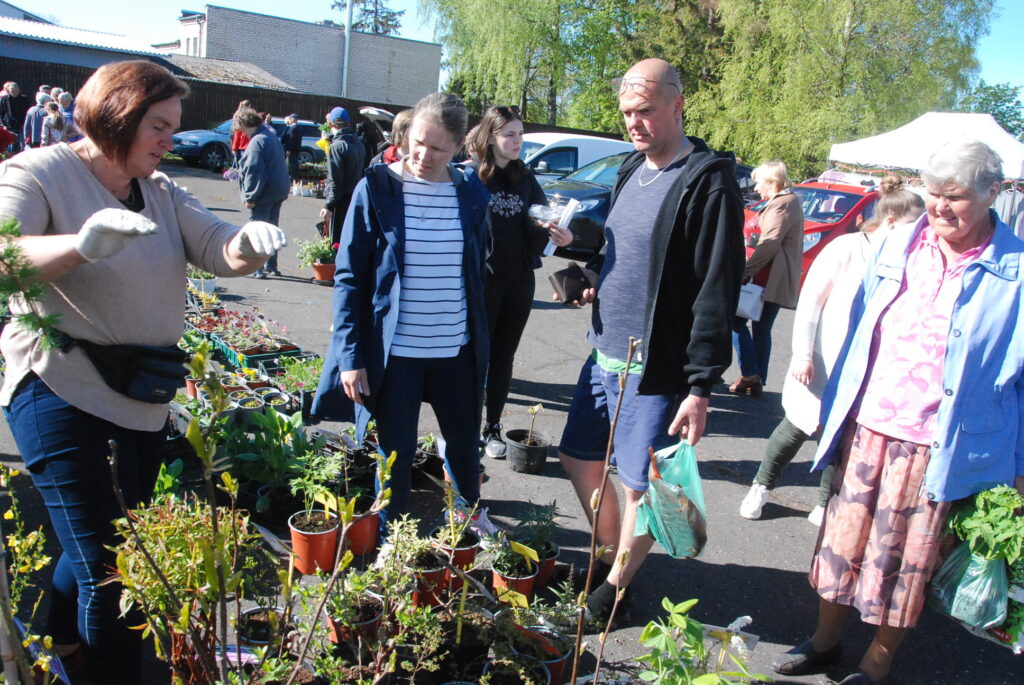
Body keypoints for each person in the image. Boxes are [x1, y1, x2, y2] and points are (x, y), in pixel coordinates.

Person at [0, 60, 286, 683]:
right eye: (158, 125)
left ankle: (56, 639)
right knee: (112, 568)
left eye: (173, 127)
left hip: (139, 395)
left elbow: (216, 246)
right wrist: (80, 245)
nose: (169, 140)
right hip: (59, 386)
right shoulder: (38, 173)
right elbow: (3, 255)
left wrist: (250, 243)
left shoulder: (158, 189)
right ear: (117, 115)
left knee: (97, 540)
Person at [773, 140, 1024, 685]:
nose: (938, 208)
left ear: (993, 194)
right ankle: (825, 643)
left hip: (938, 444)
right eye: (931, 194)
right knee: (841, 547)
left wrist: (1018, 466)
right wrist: (837, 408)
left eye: (954, 197)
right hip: (869, 427)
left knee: (905, 564)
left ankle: (877, 664)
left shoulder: (1016, 273)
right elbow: (863, 328)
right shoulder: (900, 244)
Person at [557, 58, 744, 621]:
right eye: (626, 113)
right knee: (578, 458)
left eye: (645, 111)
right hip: (605, 351)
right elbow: (625, 254)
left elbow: (718, 285)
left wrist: (700, 384)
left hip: (655, 365)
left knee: (642, 485)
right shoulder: (628, 172)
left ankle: (614, 588)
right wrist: (588, 272)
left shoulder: (708, 182)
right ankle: (613, 554)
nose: (634, 124)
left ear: (678, 104)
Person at [311, 92, 496, 537]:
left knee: (465, 450)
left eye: (438, 148)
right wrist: (351, 356)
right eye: (417, 141)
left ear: (459, 148)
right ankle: (394, 543)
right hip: (396, 357)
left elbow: (478, 264)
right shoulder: (376, 189)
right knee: (394, 456)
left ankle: (466, 528)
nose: (423, 155)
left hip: (455, 348)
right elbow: (350, 278)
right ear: (406, 133)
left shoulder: (470, 192)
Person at [739, 176, 925, 524]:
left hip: (869, 366)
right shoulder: (848, 247)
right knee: (798, 424)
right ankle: (760, 486)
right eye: (914, 224)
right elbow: (811, 303)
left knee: (844, 435)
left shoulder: (909, 259)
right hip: (823, 357)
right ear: (891, 221)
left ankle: (826, 502)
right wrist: (804, 354)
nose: (920, 233)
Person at [465, 105, 573, 458]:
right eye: (509, 134)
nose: (517, 141)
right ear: (491, 136)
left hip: (518, 281)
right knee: (475, 356)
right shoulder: (472, 176)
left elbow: (539, 221)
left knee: (503, 357)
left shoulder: (524, 177)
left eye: (520, 134)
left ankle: (492, 426)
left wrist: (556, 233)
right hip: (482, 281)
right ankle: (464, 426)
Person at [729, 160, 803, 396]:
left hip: (767, 277)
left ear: (771, 182)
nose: (756, 187)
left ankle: (751, 374)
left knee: (735, 321)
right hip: (773, 276)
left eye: (759, 181)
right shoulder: (789, 201)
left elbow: (769, 244)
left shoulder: (782, 204)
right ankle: (756, 377)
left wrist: (746, 271)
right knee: (761, 329)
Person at [235, 107, 290, 279]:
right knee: (271, 229)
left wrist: (250, 196)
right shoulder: (270, 136)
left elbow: (254, 170)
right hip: (279, 190)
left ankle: (256, 269)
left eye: (240, 128)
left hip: (265, 193)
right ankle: (271, 265)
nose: (240, 132)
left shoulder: (257, 141)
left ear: (244, 125)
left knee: (257, 229)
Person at [319, 106, 366, 244]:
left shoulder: (337, 146)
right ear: (348, 123)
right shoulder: (359, 143)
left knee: (337, 242)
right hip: (356, 197)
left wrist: (329, 206)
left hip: (341, 200)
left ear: (330, 124)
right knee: (350, 239)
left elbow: (335, 180)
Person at [0, 81, 30, 151]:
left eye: (16, 90)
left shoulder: (24, 99)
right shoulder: (4, 100)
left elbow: (28, 113)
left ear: (19, 90)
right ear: (9, 91)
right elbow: (1, 113)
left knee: (23, 145)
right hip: (9, 126)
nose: (14, 92)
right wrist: (3, 125)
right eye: (12, 91)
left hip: (21, 125)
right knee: (10, 146)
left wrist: (25, 124)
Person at [280, 113, 303, 180]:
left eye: (291, 118)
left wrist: (288, 149)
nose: (289, 120)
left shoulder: (294, 128)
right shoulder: (294, 127)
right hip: (294, 149)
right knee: (293, 163)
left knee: (293, 163)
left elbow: (291, 139)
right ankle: (294, 177)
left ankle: (294, 177)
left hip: (292, 150)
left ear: (294, 119)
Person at [230, 100, 253, 167]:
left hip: (243, 146)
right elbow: (237, 133)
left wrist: (234, 148)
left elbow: (236, 135)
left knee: (240, 166)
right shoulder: (243, 116)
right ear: (249, 106)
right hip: (245, 146)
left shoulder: (238, 114)